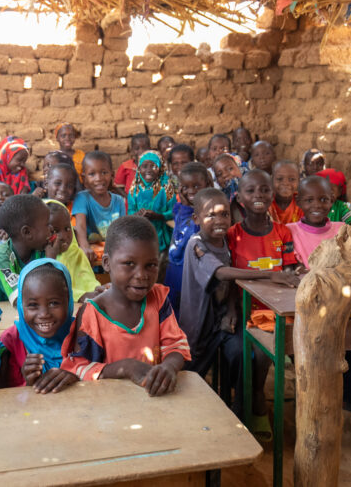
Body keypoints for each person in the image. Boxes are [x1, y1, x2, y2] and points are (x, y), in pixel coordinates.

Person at [179, 189, 299, 415]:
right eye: (210, 215)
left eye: (224, 214)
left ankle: (241, 412)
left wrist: (232, 308)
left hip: (223, 322)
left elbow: (232, 282)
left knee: (242, 355)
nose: (219, 221)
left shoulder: (225, 242)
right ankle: (185, 416)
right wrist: (269, 274)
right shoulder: (196, 244)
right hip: (199, 326)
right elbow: (223, 273)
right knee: (188, 376)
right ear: (196, 219)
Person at [61, 216, 191, 396]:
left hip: (153, 399)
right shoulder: (94, 314)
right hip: (108, 407)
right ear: (107, 263)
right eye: (129, 264)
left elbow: (175, 344)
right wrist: (125, 368)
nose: (141, 275)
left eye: (151, 265)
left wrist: (168, 367)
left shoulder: (158, 299)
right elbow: (79, 367)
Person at [227, 169, 300, 440]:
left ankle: (262, 400)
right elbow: (229, 279)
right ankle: (256, 400)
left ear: (272, 194)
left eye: (264, 190)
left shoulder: (283, 233)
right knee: (255, 353)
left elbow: (290, 273)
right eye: (250, 191)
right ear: (239, 199)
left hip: (277, 309)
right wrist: (233, 310)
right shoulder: (233, 234)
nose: (258, 195)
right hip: (248, 308)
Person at [1, 259, 78, 392]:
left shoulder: (82, 334)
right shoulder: (12, 340)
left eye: (54, 303)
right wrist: (28, 383)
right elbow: (5, 397)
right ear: (20, 304)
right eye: (32, 305)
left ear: (69, 300)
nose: (44, 314)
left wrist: (78, 377)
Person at [164, 162, 212, 316]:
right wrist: (184, 202)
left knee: (190, 309)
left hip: (192, 269)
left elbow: (197, 231)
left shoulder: (208, 212)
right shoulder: (180, 208)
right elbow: (181, 222)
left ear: (208, 185)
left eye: (196, 186)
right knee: (172, 306)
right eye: (185, 187)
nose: (191, 191)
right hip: (175, 267)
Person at [0, 194, 55, 304]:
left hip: (34, 309)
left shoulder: (42, 249)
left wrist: (51, 259)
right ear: (27, 232)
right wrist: (51, 261)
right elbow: (19, 299)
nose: (51, 229)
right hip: (6, 311)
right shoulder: (3, 254)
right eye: (47, 224)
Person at [73, 151, 126, 263]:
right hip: (92, 253)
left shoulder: (119, 200)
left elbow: (122, 230)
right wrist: (84, 246)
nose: (99, 178)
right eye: (92, 174)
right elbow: (80, 226)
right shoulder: (82, 198)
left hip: (113, 252)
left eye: (104, 172)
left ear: (112, 175)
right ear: (84, 177)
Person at [46, 200, 100, 303]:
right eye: (55, 231)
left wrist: (98, 289)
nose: (63, 236)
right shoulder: (38, 258)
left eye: (67, 228)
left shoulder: (77, 254)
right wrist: (81, 295)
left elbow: (89, 283)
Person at [287, 176, 346, 269]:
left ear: (331, 200)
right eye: (309, 200)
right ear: (298, 202)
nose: (317, 205)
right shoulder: (289, 231)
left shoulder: (342, 230)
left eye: (323, 199)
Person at [127, 150, 177, 253]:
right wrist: (137, 215)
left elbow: (174, 211)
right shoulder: (134, 190)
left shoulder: (166, 189)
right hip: (139, 236)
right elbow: (130, 211)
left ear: (160, 168)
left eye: (153, 166)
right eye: (144, 166)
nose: (149, 170)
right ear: (139, 169)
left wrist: (158, 216)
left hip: (161, 236)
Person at [268, 160, 302, 225]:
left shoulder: (302, 203)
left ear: (299, 181)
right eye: (279, 179)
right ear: (272, 180)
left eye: (292, 179)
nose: (285, 183)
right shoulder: (266, 203)